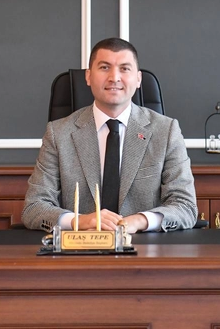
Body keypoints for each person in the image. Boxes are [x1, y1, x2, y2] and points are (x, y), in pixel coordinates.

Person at [22, 38, 198, 233]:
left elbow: (185, 206)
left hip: (144, 246)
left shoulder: (166, 131)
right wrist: (80, 221)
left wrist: (138, 221)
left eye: (124, 69)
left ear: (138, 79)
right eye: (104, 67)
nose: (114, 77)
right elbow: (34, 207)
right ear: (88, 76)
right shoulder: (59, 133)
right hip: (80, 247)